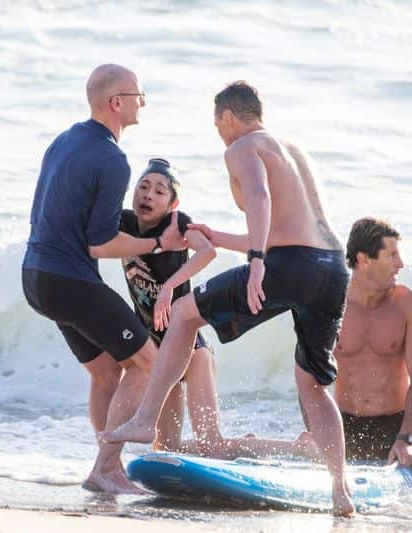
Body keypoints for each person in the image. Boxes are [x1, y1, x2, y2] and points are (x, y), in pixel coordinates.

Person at [102, 81, 356, 516]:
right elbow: (288, 233)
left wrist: (257, 261)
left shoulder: (242, 146)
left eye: (217, 124)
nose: (219, 133)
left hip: (287, 264)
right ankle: (341, 492)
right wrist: (221, 239)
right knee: (314, 385)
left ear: (227, 117)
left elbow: (259, 200)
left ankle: (145, 419)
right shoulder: (292, 151)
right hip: (332, 268)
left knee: (183, 314)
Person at [21, 64, 186, 494]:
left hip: (36, 276)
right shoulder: (112, 159)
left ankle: (103, 465)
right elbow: (100, 244)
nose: (143, 102)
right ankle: (107, 469)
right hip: (69, 279)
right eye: (138, 95)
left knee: (106, 373)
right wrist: (156, 247)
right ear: (117, 103)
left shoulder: (64, 140)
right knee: (147, 361)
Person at [121, 158, 318, 460]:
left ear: (173, 203)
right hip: (158, 354)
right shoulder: (124, 224)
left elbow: (207, 251)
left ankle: (296, 448)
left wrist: (170, 286)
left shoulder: (178, 223)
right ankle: (247, 445)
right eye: (143, 187)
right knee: (167, 449)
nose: (148, 194)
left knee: (211, 445)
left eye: (160, 191)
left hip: (191, 350)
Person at [331, 217, 412, 485]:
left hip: (396, 424)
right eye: (391, 255)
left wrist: (406, 438)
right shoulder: (331, 303)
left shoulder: (409, 306)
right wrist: (315, 428)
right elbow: (310, 372)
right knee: (300, 454)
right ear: (364, 260)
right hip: (342, 424)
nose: (400, 264)